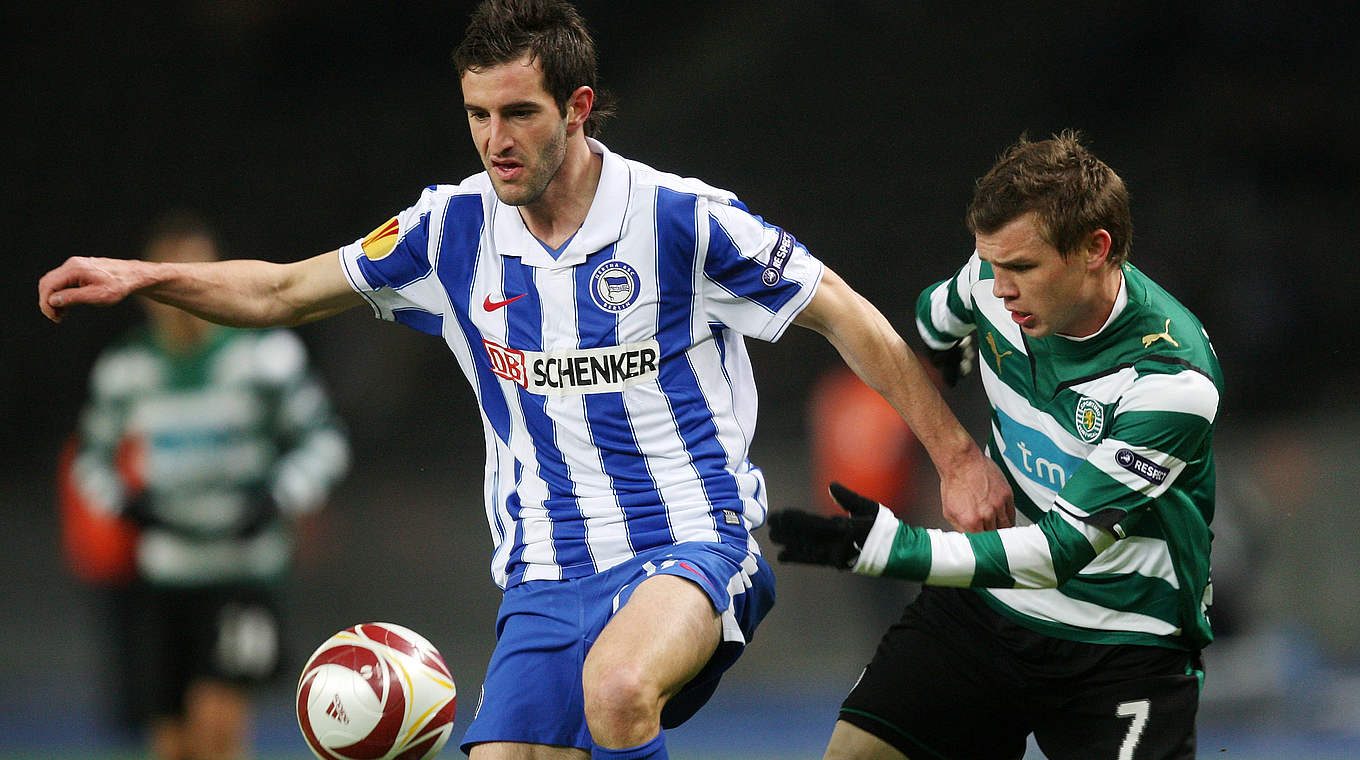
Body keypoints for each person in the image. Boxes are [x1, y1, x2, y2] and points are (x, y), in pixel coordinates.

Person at [39, 2, 1012, 757]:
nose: (494, 139)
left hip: (695, 542)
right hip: (544, 574)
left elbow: (839, 307)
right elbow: (285, 289)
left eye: (517, 113)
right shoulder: (447, 230)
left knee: (619, 687)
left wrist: (956, 455)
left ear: (577, 108)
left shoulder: (680, 219)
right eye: (476, 115)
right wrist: (149, 277)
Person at [770, 131, 1224, 760]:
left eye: (1023, 268)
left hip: (1124, 644)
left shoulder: (1171, 381)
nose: (1000, 287)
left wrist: (896, 549)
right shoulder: (985, 282)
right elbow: (931, 338)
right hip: (984, 613)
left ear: (1096, 249)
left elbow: (1060, 551)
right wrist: (956, 454)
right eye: (991, 263)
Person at [66, 211, 351, 760]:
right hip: (165, 573)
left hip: (242, 573)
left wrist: (277, 498)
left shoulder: (265, 358)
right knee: (171, 741)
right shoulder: (127, 369)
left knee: (217, 726)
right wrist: (126, 506)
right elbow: (89, 460)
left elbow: (326, 442)